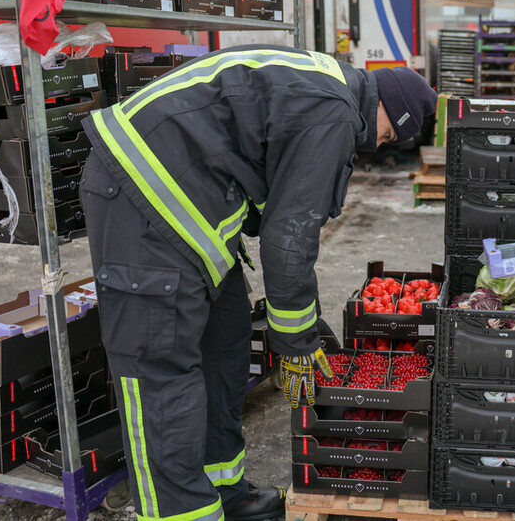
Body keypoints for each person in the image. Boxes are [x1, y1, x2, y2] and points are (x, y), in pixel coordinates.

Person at [78, 46, 436, 521]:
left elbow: (275, 196)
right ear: (389, 107)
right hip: (140, 190)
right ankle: (181, 513)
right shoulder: (335, 113)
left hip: (190, 198)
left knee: (226, 341)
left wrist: (305, 324)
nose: (380, 144)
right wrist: (296, 343)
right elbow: (289, 236)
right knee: (161, 368)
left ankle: (224, 490)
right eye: (389, 134)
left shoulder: (329, 91)